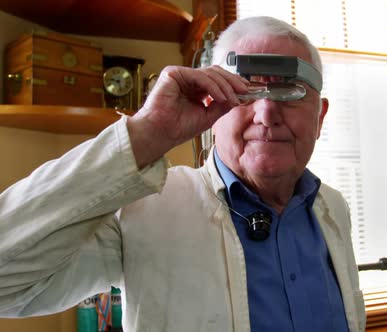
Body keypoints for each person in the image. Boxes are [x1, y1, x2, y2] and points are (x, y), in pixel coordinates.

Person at [0, 16, 366, 332]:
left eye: (290, 90)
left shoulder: (333, 208)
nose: (266, 114)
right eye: (246, 90)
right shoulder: (145, 210)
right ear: (213, 108)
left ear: (320, 117)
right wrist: (146, 133)